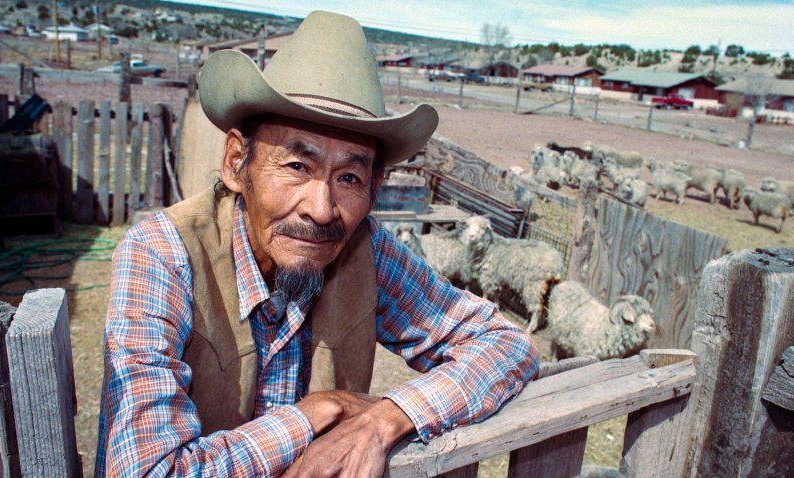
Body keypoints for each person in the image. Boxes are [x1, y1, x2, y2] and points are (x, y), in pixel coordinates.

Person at [96, 10, 538, 477]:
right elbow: (147, 471)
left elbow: (503, 343)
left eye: (349, 176)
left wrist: (385, 418)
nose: (322, 209)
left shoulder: (365, 249)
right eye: (296, 167)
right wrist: (318, 413)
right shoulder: (163, 253)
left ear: (375, 188)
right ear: (234, 163)